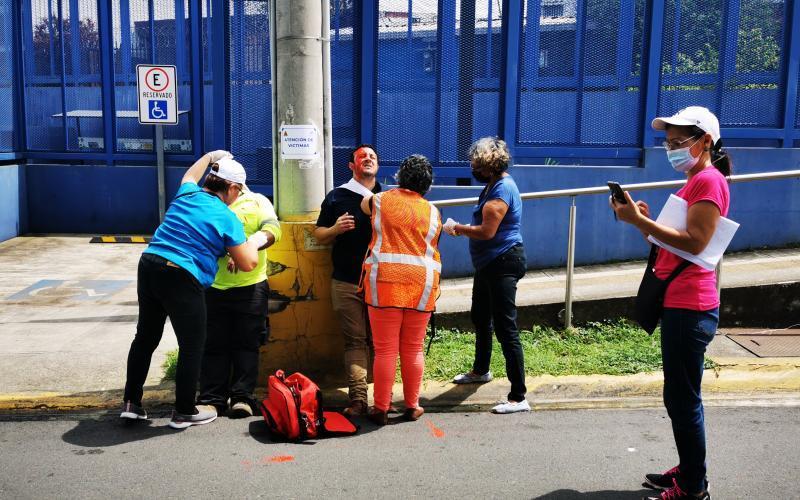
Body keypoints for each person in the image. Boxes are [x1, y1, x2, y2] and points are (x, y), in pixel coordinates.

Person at [611, 106, 731, 500]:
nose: (672, 149)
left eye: (679, 142)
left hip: (690, 305)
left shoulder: (708, 181)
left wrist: (639, 222)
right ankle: (690, 470)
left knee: (683, 398)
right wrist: (644, 223)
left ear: (705, 141)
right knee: (680, 396)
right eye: (668, 143)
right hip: (682, 301)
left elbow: (695, 242)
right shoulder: (696, 181)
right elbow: (674, 246)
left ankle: (693, 487)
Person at [121, 151, 266, 430]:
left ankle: (131, 404)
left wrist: (211, 156)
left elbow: (190, 174)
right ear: (231, 187)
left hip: (149, 264)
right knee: (192, 344)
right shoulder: (227, 217)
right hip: (182, 274)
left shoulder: (188, 194)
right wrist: (256, 239)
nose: (238, 197)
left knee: (145, 338)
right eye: (238, 191)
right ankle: (184, 411)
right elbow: (248, 263)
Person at [445, 137, 529, 414]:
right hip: (489, 264)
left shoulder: (502, 189)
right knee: (481, 317)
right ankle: (481, 370)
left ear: (488, 165)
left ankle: (518, 397)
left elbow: (487, 231)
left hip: (503, 262)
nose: (472, 169)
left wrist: (458, 228)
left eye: (476, 165)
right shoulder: (493, 185)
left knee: (506, 328)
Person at [359, 154, 441, 426]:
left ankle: (381, 408)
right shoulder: (433, 211)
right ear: (427, 184)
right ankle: (413, 405)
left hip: (386, 283)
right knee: (413, 347)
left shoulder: (380, 200)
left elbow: (363, 206)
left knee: (385, 350)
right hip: (422, 284)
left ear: (400, 177)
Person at [196, 187, 281, 419]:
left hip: (251, 286)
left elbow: (273, 229)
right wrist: (228, 251)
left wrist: (247, 247)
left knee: (248, 344)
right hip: (212, 285)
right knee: (213, 344)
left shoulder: (257, 201)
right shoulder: (207, 201)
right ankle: (212, 399)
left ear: (236, 186)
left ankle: (242, 397)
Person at [313, 145, 382, 417]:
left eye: (372, 157)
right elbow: (319, 234)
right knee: (356, 341)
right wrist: (335, 228)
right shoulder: (337, 196)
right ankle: (358, 400)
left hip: (381, 282)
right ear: (352, 165)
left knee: (381, 343)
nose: (368, 159)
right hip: (346, 281)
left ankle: (382, 399)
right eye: (362, 156)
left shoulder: (387, 197)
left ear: (378, 165)